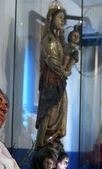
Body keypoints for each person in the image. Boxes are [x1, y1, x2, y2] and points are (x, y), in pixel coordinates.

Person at [35, 6, 71, 149]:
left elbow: (65, 54)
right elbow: (52, 60)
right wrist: (63, 71)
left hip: (58, 82)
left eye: (64, 18)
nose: (63, 20)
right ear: (51, 19)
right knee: (51, 112)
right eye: (60, 17)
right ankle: (45, 141)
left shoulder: (57, 39)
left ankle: (55, 138)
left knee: (62, 106)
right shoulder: (48, 39)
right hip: (50, 83)